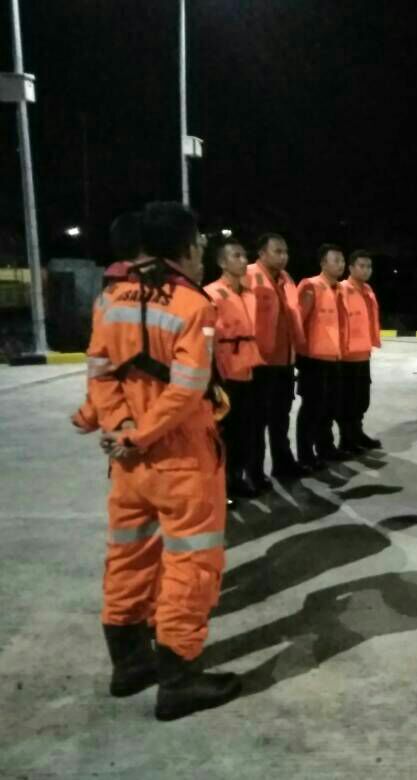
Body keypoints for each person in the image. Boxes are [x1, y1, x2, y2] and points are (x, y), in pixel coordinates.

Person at [86, 201, 240, 721]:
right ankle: (179, 681)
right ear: (186, 248)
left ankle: (129, 665)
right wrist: (143, 435)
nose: (202, 255)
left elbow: (99, 373)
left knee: (128, 557)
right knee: (190, 565)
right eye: (199, 245)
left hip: (128, 465)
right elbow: (188, 388)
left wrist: (121, 429)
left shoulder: (110, 298)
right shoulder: (192, 304)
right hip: (180, 459)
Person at [72, 212, 146, 434]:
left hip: (123, 420)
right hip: (150, 420)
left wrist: (103, 415)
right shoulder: (161, 294)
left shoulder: (107, 295)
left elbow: (99, 364)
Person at [242, 233, 308, 484]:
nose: (283, 256)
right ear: (261, 253)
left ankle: (283, 463)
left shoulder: (287, 278)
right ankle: (254, 472)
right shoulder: (248, 275)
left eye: (285, 252)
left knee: (281, 417)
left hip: (284, 360)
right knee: (256, 421)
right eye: (277, 251)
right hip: (260, 362)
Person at [205, 237, 263, 502]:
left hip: (249, 368)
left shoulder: (249, 294)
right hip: (224, 371)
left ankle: (237, 478)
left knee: (245, 430)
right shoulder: (211, 293)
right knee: (224, 433)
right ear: (221, 262)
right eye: (236, 256)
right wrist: (212, 376)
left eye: (244, 256)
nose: (243, 260)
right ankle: (220, 485)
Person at [296, 244, 348, 469]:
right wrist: (299, 356)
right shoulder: (311, 285)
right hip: (313, 359)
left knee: (330, 407)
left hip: (334, 357)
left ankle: (326, 448)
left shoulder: (340, 289)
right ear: (323, 263)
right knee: (311, 408)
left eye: (342, 260)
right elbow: (298, 320)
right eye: (335, 260)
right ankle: (306, 455)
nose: (341, 264)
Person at [333, 249, 382, 454]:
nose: (366, 270)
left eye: (369, 266)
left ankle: (357, 434)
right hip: (346, 356)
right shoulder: (341, 289)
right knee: (347, 400)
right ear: (351, 268)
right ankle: (347, 439)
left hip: (363, 353)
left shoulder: (368, 290)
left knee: (361, 399)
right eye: (361, 266)